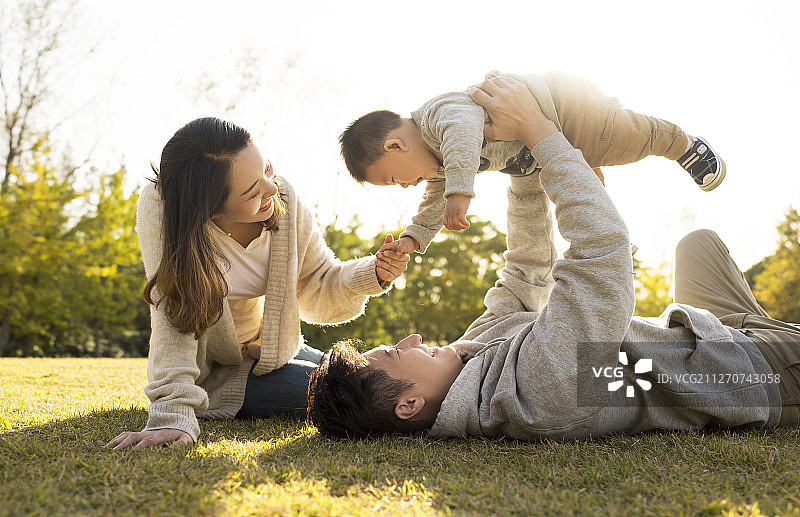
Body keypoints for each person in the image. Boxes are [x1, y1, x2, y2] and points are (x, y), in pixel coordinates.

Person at [307, 75, 800, 440]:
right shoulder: (537, 393)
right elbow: (601, 253)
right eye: (396, 352)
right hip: (749, 371)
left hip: (710, 331)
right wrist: (543, 133)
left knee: (698, 243)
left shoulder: (468, 355)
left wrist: (524, 168)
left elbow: (525, 274)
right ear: (410, 404)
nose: (411, 337)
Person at [106, 117, 409, 450]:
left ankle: (464, 386)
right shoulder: (162, 209)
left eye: (268, 170)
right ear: (209, 209)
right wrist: (172, 414)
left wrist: (373, 272)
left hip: (272, 350)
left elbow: (319, 280)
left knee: (362, 374)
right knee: (357, 396)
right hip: (220, 372)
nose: (273, 189)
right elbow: (174, 316)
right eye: (253, 191)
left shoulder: (285, 200)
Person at [339, 71, 726, 255]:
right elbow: (431, 208)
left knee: (623, 139)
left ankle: (683, 144)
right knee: (578, 189)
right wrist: (413, 239)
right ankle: (612, 239)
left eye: (394, 179)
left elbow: (464, 133)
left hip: (565, 111)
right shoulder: (439, 168)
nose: (406, 186)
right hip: (542, 151)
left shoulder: (439, 115)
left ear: (395, 144)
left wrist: (461, 192)